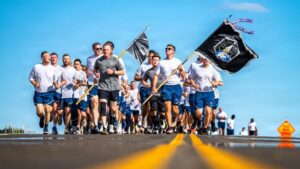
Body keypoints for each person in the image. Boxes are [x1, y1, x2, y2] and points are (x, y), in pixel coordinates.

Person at [152, 44, 186, 134]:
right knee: (167, 107)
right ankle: (170, 127)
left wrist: (181, 70)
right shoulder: (162, 62)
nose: (167, 50)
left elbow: (184, 77)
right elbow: (156, 75)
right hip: (166, 86)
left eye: (169, 49)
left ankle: (175, 118)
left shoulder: (178, 62)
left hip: (176, 87)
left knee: (175, 110)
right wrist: (154, 87)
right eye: (166, 48)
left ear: (173, 51)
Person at [94, 41, 125, 134]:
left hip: (114, 87)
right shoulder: (99, 60)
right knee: (103, 106)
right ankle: (104, 126)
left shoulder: (116, 60)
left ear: (111, 50)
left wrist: (113, 72)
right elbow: (95, 70)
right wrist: (96, 74)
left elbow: (122, 72)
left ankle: (111, 124)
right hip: (103, 87)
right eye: (104, 49)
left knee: (113, 109)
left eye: (107, 50)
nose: (105, 51)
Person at [188, 55, 223, 135]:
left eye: (207, 59)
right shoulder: (197, 68)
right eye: (204, 59)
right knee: (198, 113)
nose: (206, 60)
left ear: (210, 61)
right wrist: (193, 84)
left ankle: (205, 128)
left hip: (209, 93)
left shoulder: (213, 70)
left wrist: (215, 83)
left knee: (208, 111)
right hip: (199, 93)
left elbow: (221, 82)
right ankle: (198, 120)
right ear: (202, 60)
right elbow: (191, 78)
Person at [29, 51, 56, 134]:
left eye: (49, 56)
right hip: (39, 93)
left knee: (48, 109)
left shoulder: (53, 68)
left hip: (49, 92)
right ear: (42, 58)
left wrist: (56, 84)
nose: (49, 57)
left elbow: (56, 80)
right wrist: (34, 83)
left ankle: (46, 127)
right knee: (39, 112)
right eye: (46, 56)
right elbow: (30, 77)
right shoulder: (36, 66)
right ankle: (42, 117)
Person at [142, 52, 164, 134]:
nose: (155, 61)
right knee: (153, 111)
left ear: (159, 61)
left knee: (162, 112)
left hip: (163, 93)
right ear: (151, 61)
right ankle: (156, 126)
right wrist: (145, 83)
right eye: (153, 60)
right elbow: (143, 80)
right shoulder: (148, 71)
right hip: (153, 93)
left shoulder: (163, 70)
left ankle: (161, 122)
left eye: (156, 60)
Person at [134, 50, 155, 130]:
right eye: (149, 56)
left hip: (153, 88)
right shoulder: (143, 66)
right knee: (145, 107)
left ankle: (150, 124)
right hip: (144, 88)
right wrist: (144, 77)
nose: (150, 58)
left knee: (151, 107)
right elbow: (135, 77)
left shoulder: (157, 66)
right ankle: (143, 117)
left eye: (152, 56)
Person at [86, 42, 102, 132]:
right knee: (94, 103)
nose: (99, 50)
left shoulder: (105, 57)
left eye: (100, 48)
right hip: (92, 84)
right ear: (93, 49)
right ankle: (96, 126)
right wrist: (90, 73)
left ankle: (102, 123)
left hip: (104, 84)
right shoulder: (89, 59)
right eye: (97, 48)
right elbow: (87, 70)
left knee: (103, 106)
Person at [60, 54, 76, 134]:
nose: (66, 60)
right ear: (62, 60)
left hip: (70, 93)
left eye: (67, 59)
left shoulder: (73, 70)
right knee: (60, 112)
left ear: (69, 60)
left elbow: (76, 80)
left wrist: (75, 82)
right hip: (60, 93)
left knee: (67, 111)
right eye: (64, 59)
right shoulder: (59, 68)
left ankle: (66, 127)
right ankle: (65, 123)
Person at [50, 52, 64, 134]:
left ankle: (54, 127)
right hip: (47, 91)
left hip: (57, 91)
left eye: (55, 57)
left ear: (57, 59)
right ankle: (44, 117)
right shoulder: (46, 68)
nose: (53, 59)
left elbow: (65, 80)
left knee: (55, 109)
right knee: (48, 109)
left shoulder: (61, 68)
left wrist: (59, 85)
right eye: (51, 57)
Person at [73, 59, 88, 135]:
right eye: (75, 64)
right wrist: (80, 83)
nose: (76, 65)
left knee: (83, 114)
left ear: (80, 65)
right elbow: (74, 84)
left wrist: (79, 82)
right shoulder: (73, 73)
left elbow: (85, 83)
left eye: (77, 64)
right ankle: (78, 127)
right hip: (76, 95)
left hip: (83, 95)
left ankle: (85, 121)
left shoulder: (83, 73)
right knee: (79, 113)